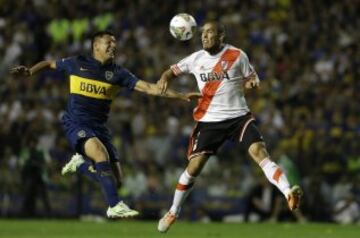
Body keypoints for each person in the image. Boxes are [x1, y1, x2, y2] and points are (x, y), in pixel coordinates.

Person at [10, 31, 200, 219]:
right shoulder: (77, 63)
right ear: (96, 46)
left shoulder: (118, 73)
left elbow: (151, 88)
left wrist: (181, 95)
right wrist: (30, 71)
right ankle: (114, 206)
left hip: (100, 128)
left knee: (116, 181)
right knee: (101, 155)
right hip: (76, 123)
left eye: (114, 43)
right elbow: (49, 63)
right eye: (108, 42)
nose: (113, 46)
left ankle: (81, 165)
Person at [156, 21, 303, 232]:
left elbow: (252, 78)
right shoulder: (196, 59)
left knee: (260, 152)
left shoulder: (237, 55)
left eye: (209, 32)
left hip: (238, 117)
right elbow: (172, 71)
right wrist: (164, 77)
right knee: (194, 167)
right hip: (209, 121)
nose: (204, 36)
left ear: (221, 36)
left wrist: (252, 83)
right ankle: (173, 211)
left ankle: (288, 192)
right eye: (202, 33)